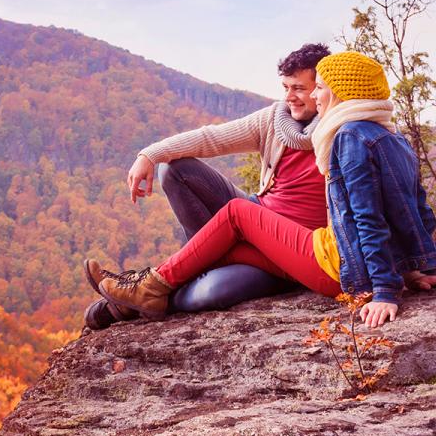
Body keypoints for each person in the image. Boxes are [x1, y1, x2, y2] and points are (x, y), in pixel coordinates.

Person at [86, 51, 436, 329]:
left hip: (319, 256)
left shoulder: (347, 137)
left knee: (207, 286)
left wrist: (389, 288)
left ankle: (137, 297)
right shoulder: (384, 135)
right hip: (290, 241)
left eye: (309, 87)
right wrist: (419, 265)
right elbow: (412, 209)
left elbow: (370, 216)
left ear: (336, 91)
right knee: (192, 199)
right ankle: (137, 295)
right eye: (288, 87)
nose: (298, 96)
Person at [84, 43, 332, 330]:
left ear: (321, 88)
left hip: (292, 249)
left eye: (299, 88)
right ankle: (180, 269)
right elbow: (211, 139)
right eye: (285, 87)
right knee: (177, 170)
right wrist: (149, 154)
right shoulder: (276, 120)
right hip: (254, 217)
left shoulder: (338, 130)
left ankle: (125, 306)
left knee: (210, 292)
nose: (290, 97)